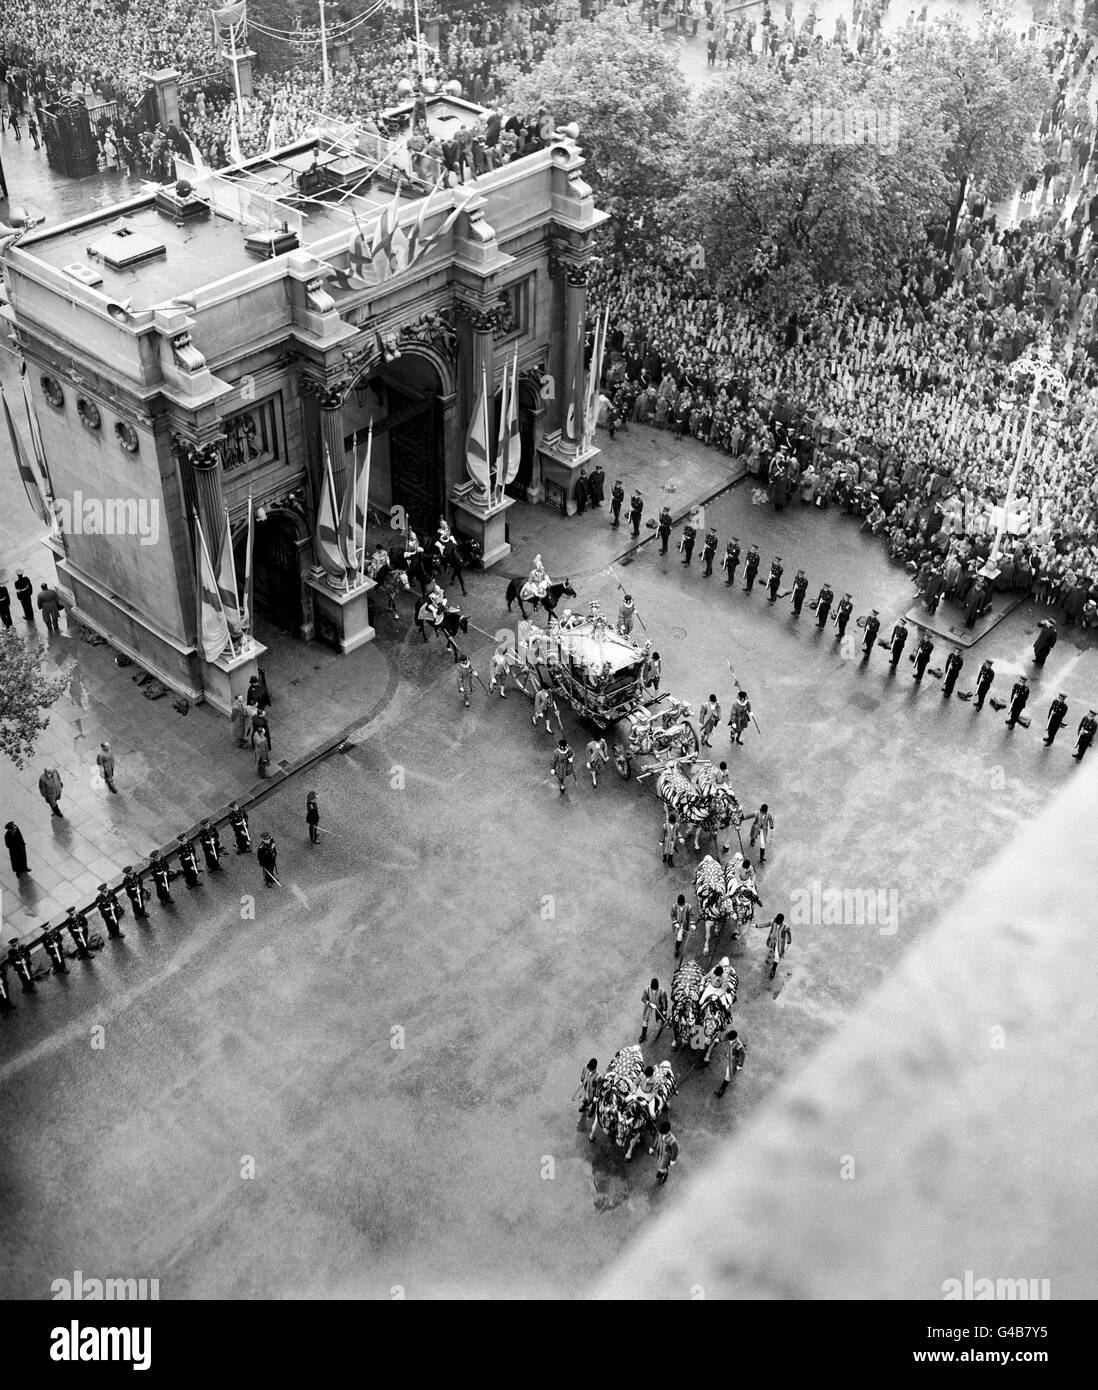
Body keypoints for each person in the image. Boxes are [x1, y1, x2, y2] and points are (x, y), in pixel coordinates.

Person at [715, 1027, 747, 1098]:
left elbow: (742, 1054)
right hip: (730, 1054)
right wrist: (719, 1040)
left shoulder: (739, 1046)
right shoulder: (730, 1037)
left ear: (732, 1038)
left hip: (735, 1059)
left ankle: (721, 1091)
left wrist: (740, 1064)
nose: (727, 1038)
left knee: (728, 1074)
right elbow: (725, 1038)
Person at [761, 912, 792, 979]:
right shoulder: (773, 922)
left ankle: (773, 970)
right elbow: (765, 925)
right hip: (772, 941)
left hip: (780, 944)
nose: (776, 923)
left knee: (777, 957)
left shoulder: (786, 927)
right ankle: (771, 958)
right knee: (772, 950)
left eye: (778, 922)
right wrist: (755, 925)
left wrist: (789, 941)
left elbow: (789, 934)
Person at [639, 978, 669, 1042]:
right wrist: (649, 1003)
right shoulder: (647, 989)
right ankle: (643, 1035)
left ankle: (658, 1031)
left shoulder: (662, 991)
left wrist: (664, 1010)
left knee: (660, 1019)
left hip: (659, 1006)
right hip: (649, 1005)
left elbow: (664, 1002)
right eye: (653, 988)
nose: (654, 990)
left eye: (655, 988)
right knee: (645, 1019)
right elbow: (643, 999)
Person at [651, 1119, 679, 1185]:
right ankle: (662, 1170)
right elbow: (657, 1139)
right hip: (659, 1153)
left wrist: (673, 1160)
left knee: (662, 1167)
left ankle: (665, 1174)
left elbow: (675, 1150)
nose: (661, 1133)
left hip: (666, 1156)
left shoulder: (672, 1140)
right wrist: (653, 1147)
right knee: (659, 1163)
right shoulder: (661, 1133)